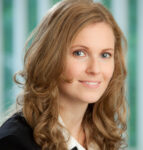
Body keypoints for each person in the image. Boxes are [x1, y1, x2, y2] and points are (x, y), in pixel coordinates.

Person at [0, 0, 128, 149]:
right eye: (80, 53)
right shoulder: (13, 143)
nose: (95, 69)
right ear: (51, 57)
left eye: (105, 55)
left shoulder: (102, 136)